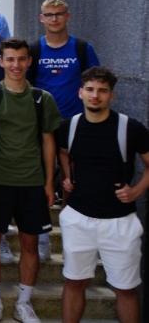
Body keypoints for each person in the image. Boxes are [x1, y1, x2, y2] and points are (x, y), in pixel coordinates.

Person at [0, 38, 61, 323]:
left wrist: (50, 182)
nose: (16, 65)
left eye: (21, 59)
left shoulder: (42, 98)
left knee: (30, 243)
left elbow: (49, 141)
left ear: (29, 61)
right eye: (10, 59)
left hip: (31, 182)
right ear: (0, 61)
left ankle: (24, 302)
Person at [57, 67, 149, 323]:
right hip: (78, 217)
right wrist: (67, 176)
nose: (95, 96)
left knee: (126, 289)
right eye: (90, 89)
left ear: (112, 95)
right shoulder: (70, 126)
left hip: (120, 222)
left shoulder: (131, 128)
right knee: (74, 282)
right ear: (80, 92)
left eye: (102, 91)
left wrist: (137, 190)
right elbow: (63, 151)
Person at [30, 0, 100, 119]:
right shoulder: (34, 50)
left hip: (77, 119)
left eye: (59, 14)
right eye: (49, 15)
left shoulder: (83, 48)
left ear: (67, 16)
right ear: (42, 18)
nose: (54, 19)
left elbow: (98, 83)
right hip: (42, 121)